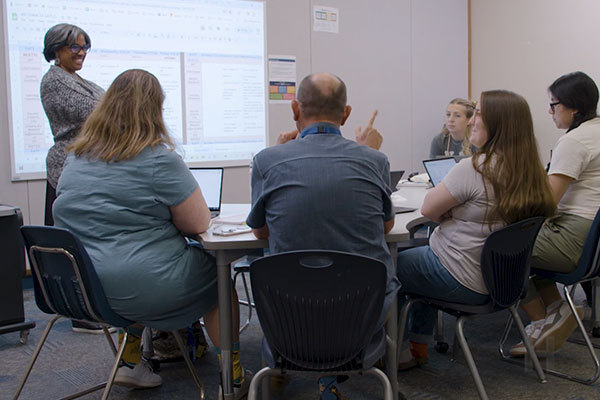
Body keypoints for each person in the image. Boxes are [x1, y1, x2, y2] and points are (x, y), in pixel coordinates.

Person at [53, 69, 250, 395]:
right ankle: (234, 377)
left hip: (81, 286)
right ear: (154, 110)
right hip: (140, 286)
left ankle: (130, 361)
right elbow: (199, 224)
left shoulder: (75, 158)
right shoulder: (159, 160)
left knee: (134, 262)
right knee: (217, 275)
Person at [246, 72, 400, 399]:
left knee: (262, 260)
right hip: (358, 317)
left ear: (294, 109)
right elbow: (386, 227)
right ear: (345, 114)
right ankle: (334, 379)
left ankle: (277, 366)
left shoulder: (267, 161)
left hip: (290, 318)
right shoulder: (375, 160)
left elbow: (260, 231)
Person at [396, 90, 556, 369]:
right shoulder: (528, 170)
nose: (471, 121)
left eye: (478, 113)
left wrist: (451, 212)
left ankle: (397, 354)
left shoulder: (476, 168)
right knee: (418, 256)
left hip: (462, 276)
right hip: (504, 281)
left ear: (498, 123)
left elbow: (428, 210)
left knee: (390, 265)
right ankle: (418, 344)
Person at [509, 71, 600, 357]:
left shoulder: (575, 141)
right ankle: (557, 311)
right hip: (593, 242)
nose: (549, 111)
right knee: (525, 241)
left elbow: (546, 203)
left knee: (501, 247)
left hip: (574, 238)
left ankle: (542, 322)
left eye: (554, 105)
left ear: (574, 107)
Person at [40, 23, 106, 334]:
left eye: (84, 47)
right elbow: (96, 111)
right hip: (67, 169)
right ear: (56, 50)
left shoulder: (78, 79)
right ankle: (82, 313)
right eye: (74, 48)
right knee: (75, 244)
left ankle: (93, 307)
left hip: (87, 167)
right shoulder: (55, 81)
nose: (81, 53)